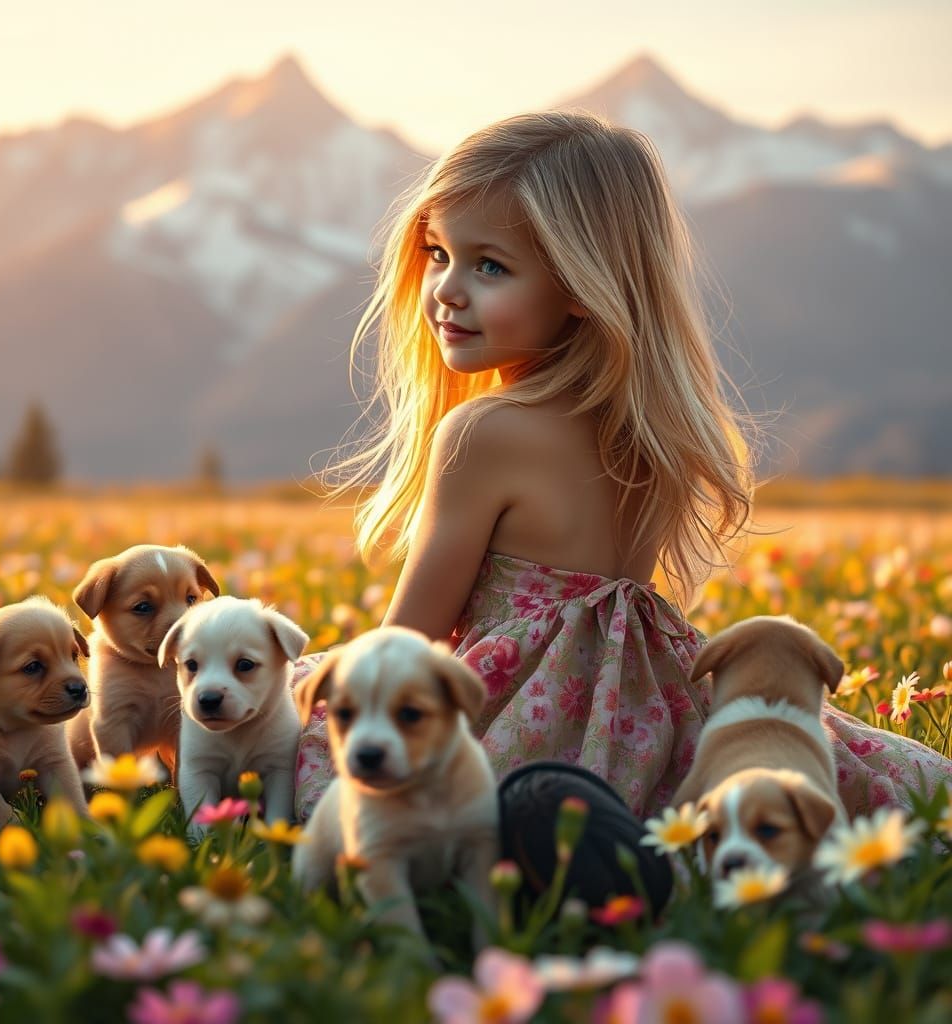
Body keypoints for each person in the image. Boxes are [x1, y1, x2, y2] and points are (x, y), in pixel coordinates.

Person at [293, 110, 950, 827]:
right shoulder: (651, 429)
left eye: (490, 266)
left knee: (271, 721)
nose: (447, 289)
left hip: (513, 725)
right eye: (438, 253)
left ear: (582, 286)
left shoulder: (483, 432)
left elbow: (405, 643)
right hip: (643, 719)